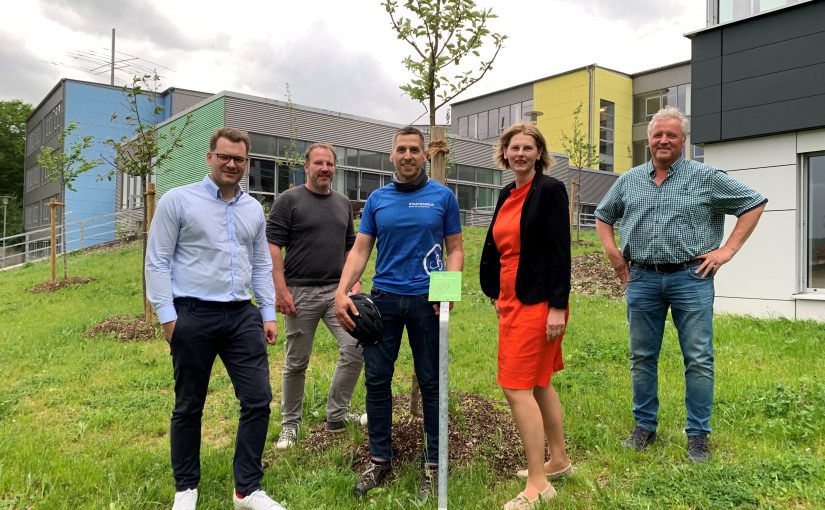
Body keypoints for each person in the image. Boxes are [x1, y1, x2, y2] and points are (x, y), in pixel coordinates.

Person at [595, 106, 767, 463]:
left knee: (699, 358)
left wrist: (726, 251)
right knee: (642, 357)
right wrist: (614, 255)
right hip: (641, 278)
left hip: (692, 277)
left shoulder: (707, 177)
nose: (663, 140)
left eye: (671, 135)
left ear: (683, 141)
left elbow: (754, 202)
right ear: (649, 139)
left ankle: (698, 436)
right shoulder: (630, 180)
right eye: (658, 134)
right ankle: (644, 427)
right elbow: (603, 215)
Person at [145, 127, 286, 510]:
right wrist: (168, 318)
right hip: (192, 313)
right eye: (224, 156)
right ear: (209, 157)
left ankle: (247, 490)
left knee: (258, 400)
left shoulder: (254, 209)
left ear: (246, 163)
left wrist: (268, 313)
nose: (231, 163)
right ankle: (186, 488)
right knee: (189, 404)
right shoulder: (178, 201)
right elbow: (156, 259)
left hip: (242, 315)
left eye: (239, 158)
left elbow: (260, 264)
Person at [334, 126, 464, 500]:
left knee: (431, 382)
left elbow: (454, 249)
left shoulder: (443, 197)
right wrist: (342, 292)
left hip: (427, 301)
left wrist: (447, 290)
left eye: (414, 150)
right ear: (391, 156)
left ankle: (433, 464)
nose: (408, 155)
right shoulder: (377, 199)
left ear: (425, 155)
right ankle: (379, 460)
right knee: (376, 381)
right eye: (401, 150)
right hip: (384, 302)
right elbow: (360, 252)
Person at [479, 122, 573, 510]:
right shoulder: (507, 193)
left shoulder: (550, 190)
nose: (520, 153)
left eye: (527, 148)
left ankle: (538, 483)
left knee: (516, 387)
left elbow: (559, 251)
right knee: (537, 383)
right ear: (505, 152)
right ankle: (559, 461)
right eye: (513, 147)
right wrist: (494, 291)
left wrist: (557, 306)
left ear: (539, 153)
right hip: (510, 297)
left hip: (538, 302)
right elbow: (497, 248)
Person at [266, 142, 365, 450]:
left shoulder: (341, 203)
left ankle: (337, 414)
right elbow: (272, 247)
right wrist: (280, 290)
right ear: (306, 167)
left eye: (330, 164)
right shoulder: (289, 200)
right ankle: (289, 426)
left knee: (356, 348)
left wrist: (353, 283)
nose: (325, 168)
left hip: (337, 291)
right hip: (299, 292)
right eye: (318, 163)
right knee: (296, 362)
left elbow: (351, 247)